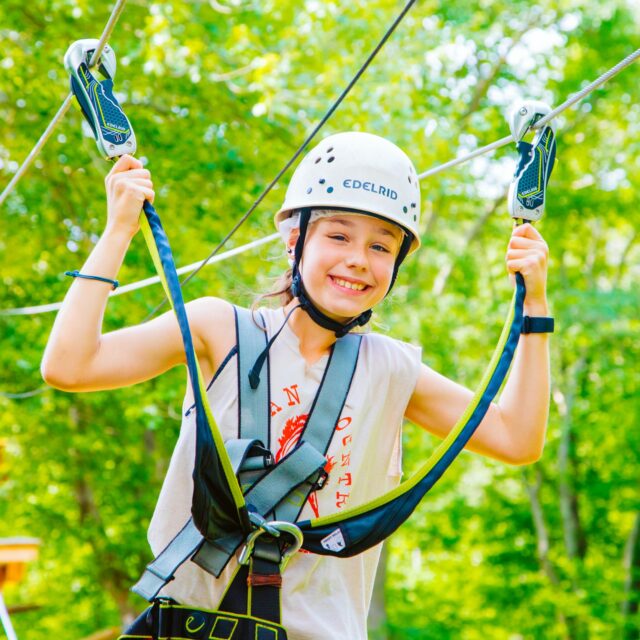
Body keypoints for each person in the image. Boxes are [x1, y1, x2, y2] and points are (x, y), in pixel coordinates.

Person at [41, 132, 551, 640]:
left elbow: (517, 439)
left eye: (380, 246)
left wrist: (535, 307)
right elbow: (70, 365)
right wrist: (118, 232)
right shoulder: (220, 330)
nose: (358, 259)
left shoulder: (392, 370)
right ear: (295, 238)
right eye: (338, 236)